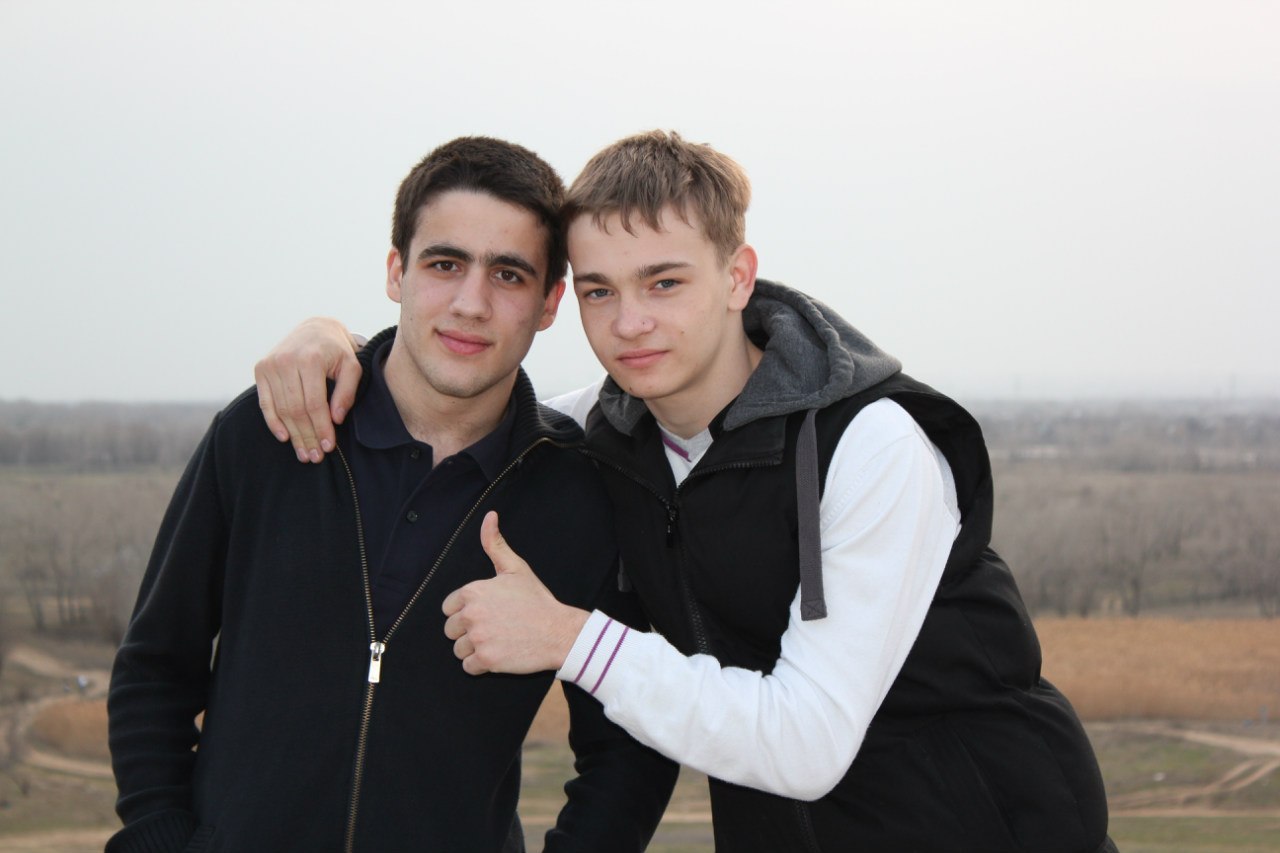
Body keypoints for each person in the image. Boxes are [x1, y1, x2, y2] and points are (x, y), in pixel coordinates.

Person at [257, 131, 1114, 852]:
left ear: (738, 276)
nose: (629, 322)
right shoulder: (600, 432)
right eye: (599, 290)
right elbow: (454, 396)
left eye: (664, 282)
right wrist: (330, 343)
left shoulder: (869, 445)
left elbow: (807, 739)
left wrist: (571, 638)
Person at [106, 137, 675, 853]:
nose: (470, 303)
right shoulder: (269, 431)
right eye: (444, 264)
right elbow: (155, 668)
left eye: (508, 274)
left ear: (549, 302)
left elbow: (629, 745)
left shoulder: (583, 493)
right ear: (395, 272)